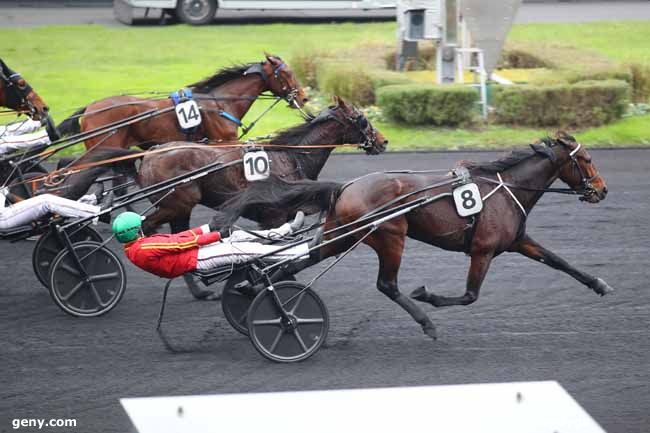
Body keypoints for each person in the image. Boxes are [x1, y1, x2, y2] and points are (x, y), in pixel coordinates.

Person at [112, 211, 308, 279]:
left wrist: (207, 228)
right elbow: (181, 245)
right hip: (196, 260)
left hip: (194, 254)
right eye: (140, 225)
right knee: (244, 249)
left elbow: (178, 238)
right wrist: (216, 235)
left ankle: (284, 231)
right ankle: (301, 253)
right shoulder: (143, 249)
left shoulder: (137, 246)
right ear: (135, 230)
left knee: (237, 236)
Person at [0, 186, 101, 231]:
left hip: (5, 212)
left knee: (48, 199)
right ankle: (96, 213)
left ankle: (91, 202)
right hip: (3, 217)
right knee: (46, 201)